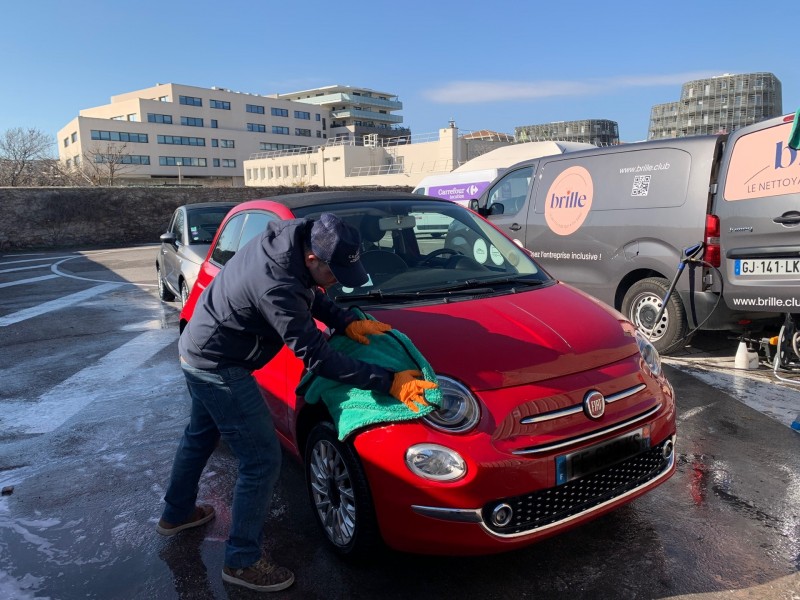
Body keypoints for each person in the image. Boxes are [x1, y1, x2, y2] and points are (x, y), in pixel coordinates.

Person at [155, 212, 436, 593]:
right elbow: (318, 356)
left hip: (202, 349)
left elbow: (309, 291)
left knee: (201, 435)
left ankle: (176, 514)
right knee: (261, 460)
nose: (337, 281)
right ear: (312, 258)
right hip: (219, 365)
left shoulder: (296, 238)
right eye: (333, 272)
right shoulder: (275, 284)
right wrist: (388, 381)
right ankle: (242, 561)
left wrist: (343, 320)